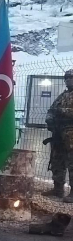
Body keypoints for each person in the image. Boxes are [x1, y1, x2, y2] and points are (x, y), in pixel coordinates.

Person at [45, 70, 73, 202]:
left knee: (71, 162)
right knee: (57, 160)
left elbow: (61, 110)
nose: (68, 80)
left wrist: (62, 111)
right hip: (59, 133)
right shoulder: (63, 95)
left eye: (71, 78)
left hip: (71, 132)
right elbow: (51, 109)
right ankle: (58, 188)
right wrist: (49, 119)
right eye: (66, 78)